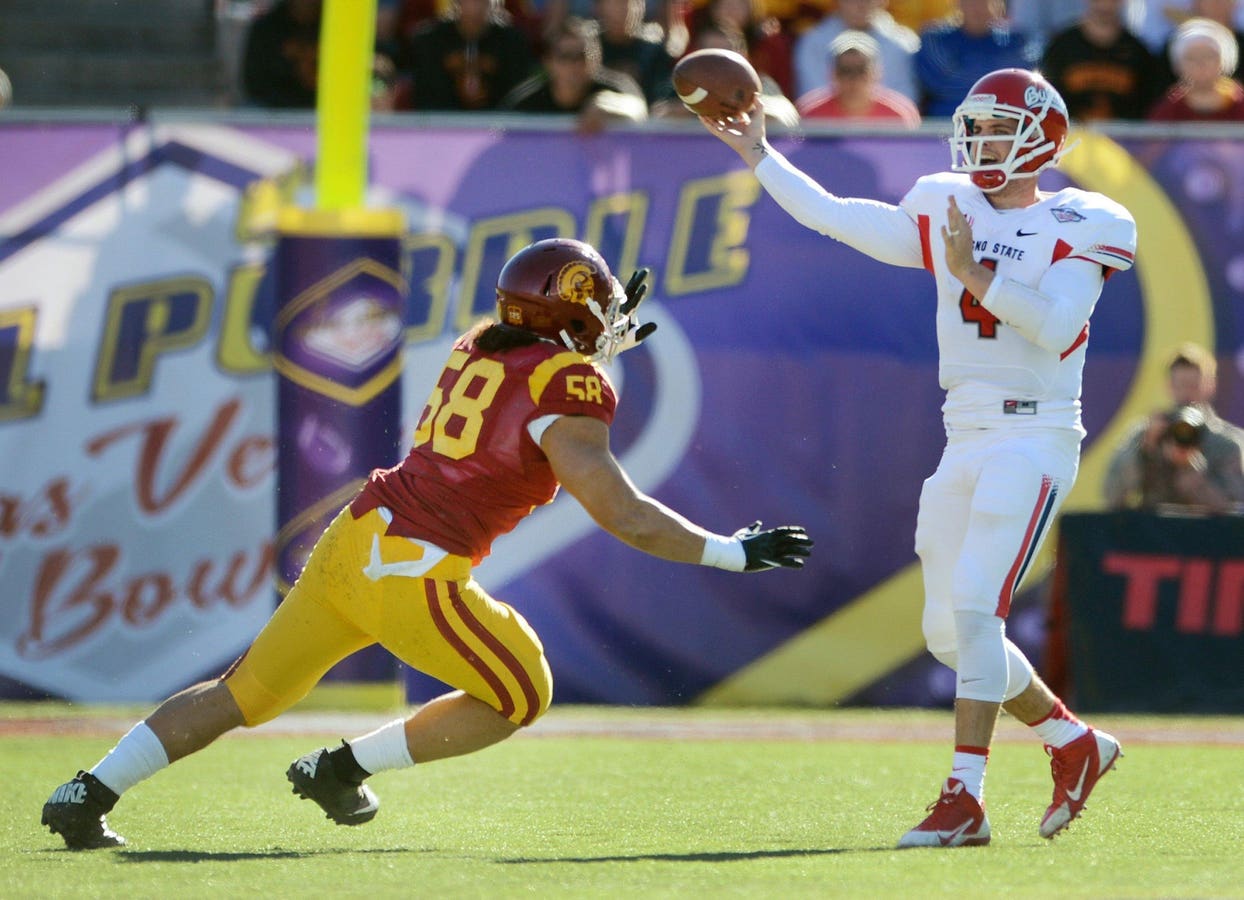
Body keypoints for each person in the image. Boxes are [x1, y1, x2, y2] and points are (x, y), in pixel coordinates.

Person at [40, 239, 814, 851]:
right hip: (415, 568)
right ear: (566, 318)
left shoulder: (481, 342)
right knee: (521, 691)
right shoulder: (572, 387)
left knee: (242, 694)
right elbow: (626, 514)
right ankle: (340, 767)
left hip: (357, 535)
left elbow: (530, 385)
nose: (610, 319)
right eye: (598, 307)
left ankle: (89, 790)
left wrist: (582, 349)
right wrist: (731, 552)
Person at [701, 67, 1135, 847]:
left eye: (998, 130)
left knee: (976, 608)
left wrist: (972, 272)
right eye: (976, 126)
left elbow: (1060, 326)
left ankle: (963, 797)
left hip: (1035, 433)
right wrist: (761, 154)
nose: (979, 142)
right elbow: (838, 218)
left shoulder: (1087, 219)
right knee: (948, 630)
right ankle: (1072, 741)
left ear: (1044, 139)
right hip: (964, 432)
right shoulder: (945, 201)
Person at [1103, 343, 1244, 513]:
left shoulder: (1227, 445)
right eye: (1180, 386)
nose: (1186, 394)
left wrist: (1190, 467)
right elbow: (1112, 496)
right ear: (1169, 387)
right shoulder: (1146, 433)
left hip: (1207, 537)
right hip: (1154, 535)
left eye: (1193, 385)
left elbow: (1233, 509)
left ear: (1210, 385)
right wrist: (1144, 450)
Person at [499, 17, 649, 131]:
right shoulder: (526, 103)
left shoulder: (615, 88)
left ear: (597, 59)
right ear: (548, 62)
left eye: (582, 56)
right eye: (565, 56)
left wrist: (606, 107)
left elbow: (639, 109)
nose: (574, 65)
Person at [1041, 0, 1168, 121]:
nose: (1105, 5)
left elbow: (1148, 107)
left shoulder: (1139, 53)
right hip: (1071, 137)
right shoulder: (1061, 47)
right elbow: (1046, 99)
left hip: (1122, 140)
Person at [403, 0, 536, 111]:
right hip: (443, 129)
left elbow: (517, 98)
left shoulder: (512, 43)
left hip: (497, 129)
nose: (474, 9)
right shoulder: (431, 42)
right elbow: (428, 98)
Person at [915, 0, 1038, 117]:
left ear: (999, 4)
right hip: (943, 127)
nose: (977, 7)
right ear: (957, 3)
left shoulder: (1018, 41)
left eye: (984, 1)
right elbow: (941, 82)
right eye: (970, 1)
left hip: (1005, 125)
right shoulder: (935, 39)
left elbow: (1024, 81)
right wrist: (996, 83)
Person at [794, 0, 921, 103]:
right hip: (830, 132)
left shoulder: (905, 44)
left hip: (888, 132)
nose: (862, 3)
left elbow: (906, 101)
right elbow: (813, 100)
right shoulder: (813, 42)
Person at [797, 29, 923, 125]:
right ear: (832, 73)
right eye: (845, 71)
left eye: (861, 70)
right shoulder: (809, 113)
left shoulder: (899, 113)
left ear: (877, 73)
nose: (853, 78)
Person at [1147, 16, 1244, 120]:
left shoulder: (1239, 105)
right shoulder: (1166, 111)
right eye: (1191, 58)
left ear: (1224, 61)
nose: (1200, 63)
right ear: (1178, 66)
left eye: (1208, 56)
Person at [591, 0, 679, 104]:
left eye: (627, 3)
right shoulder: (586, 49)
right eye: (614, 3)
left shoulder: (654, 53)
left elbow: (665, 94)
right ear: (598, 8)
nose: (621, 10)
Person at [240, 0, 322, 108]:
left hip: (327, 108)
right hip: (273, 108)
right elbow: (253, 82)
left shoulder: (338, 29)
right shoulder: (266, 28)